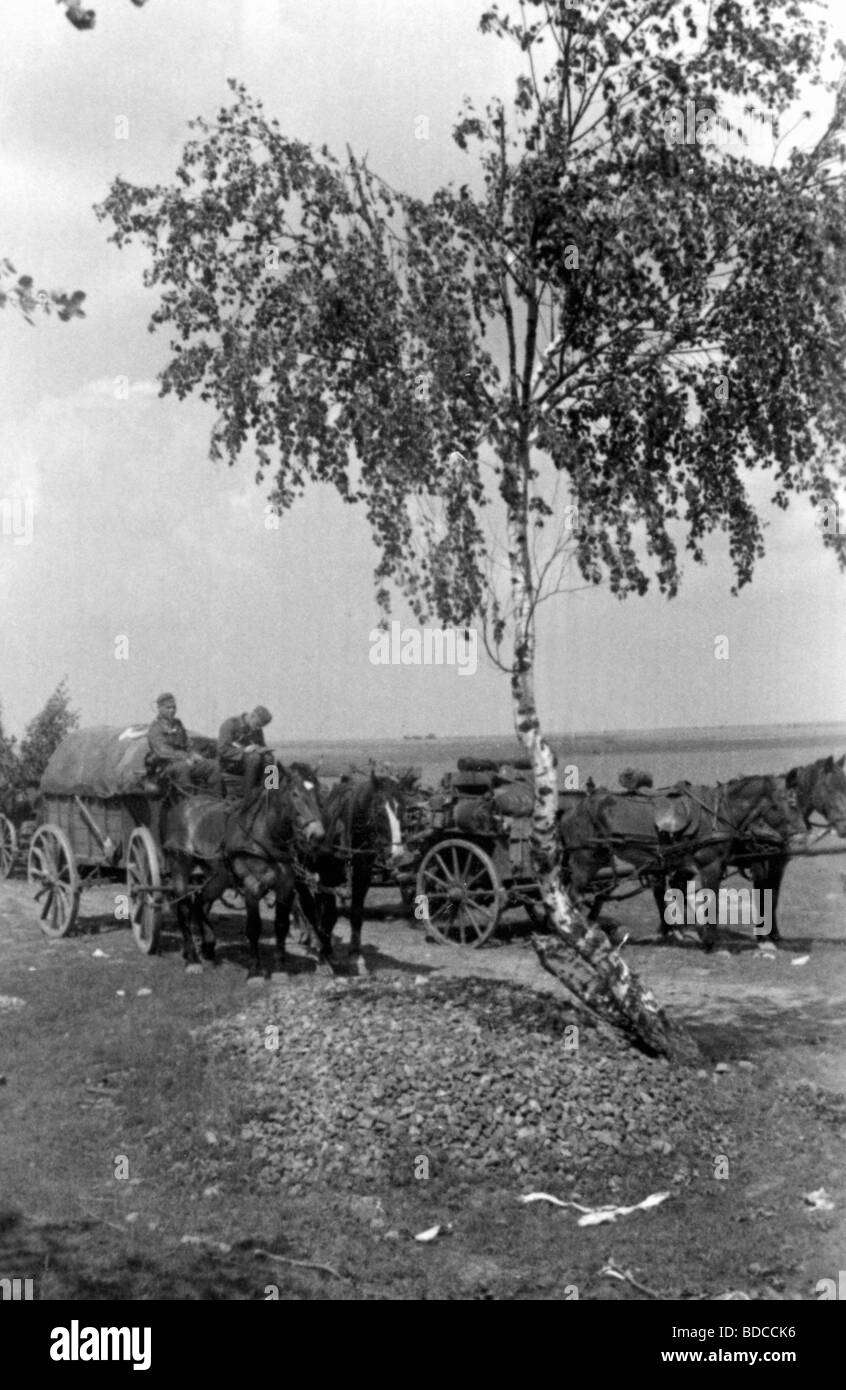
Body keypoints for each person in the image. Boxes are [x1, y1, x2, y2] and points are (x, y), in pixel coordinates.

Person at [147, 693, 222, 796]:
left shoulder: (178, 724)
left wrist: (194, 754)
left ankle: (215, 799)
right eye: (168, 708)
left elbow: (187, 743)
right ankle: (188, 802)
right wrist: (185, 757)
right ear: (160, 708)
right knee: (183, 768)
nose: (172, 710)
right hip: (167, 765)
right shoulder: (155, 728)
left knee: (214, 766)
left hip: (186, 760)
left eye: (174, 707)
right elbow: (163, 751)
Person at [217, 706, 275, 793]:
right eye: (257, 725)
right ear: (252, 716)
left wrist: (262, 749)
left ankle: (269, 790)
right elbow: (222, 750)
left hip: (248, 760)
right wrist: (244, 750)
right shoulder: (230, 724)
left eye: (260, 726)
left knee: (269, 758)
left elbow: (261, 745)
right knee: (254, 758)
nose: (258, 728)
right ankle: (248, 794)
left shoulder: (256, 728)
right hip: (229, 763)